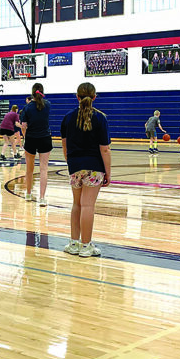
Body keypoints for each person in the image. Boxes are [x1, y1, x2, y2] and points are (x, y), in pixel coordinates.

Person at [61, 82, 111, 257]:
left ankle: (74, 244)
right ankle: (86, 246)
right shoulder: (100, 118)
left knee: (77, 204)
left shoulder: (67, 117)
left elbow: (65, 147)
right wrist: (108, 172)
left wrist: (72, 164)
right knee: (88, 205)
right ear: (95, 97)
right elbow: (104, 149)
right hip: (94, 167)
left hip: (75, 166)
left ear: (77, 97)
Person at [21, 83, 52, 207]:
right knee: (44, 169)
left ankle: (28, 194)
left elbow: (23, 126)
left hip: (31, 139)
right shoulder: (48, 105)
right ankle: (42, 198)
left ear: (32, 93)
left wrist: (25, 137)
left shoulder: (27, 108)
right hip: (45, 138)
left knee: (29, 169)